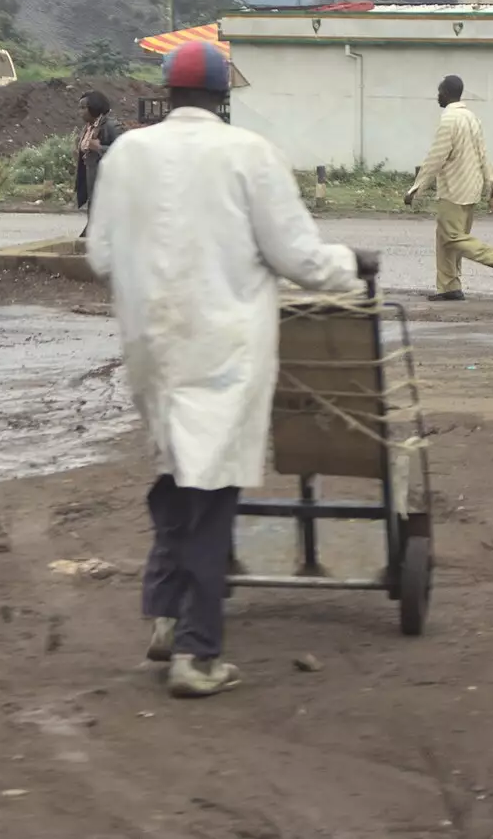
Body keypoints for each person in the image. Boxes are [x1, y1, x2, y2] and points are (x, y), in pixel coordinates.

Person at [87, 41, 379, 699]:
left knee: (173, 475)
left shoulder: (126, 154)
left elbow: (102, 255)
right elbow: (298, 257)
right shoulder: (250, 154)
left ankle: (165, 616)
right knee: (212, 491)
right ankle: (199, 652)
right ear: (223, 98)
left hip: (151, 346)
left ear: (167, 95)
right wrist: (352, 265)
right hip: (220, 351)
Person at [405, 75, 493, 302]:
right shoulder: (472, 118)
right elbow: (483, 155)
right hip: (471, 189)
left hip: (454, 190)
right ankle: (449, 287)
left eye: (439, 92)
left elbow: (436, 158)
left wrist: (416, 188)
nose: (437, 96)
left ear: (446, 93)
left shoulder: (449, 120)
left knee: (452, 237)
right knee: (444, 238)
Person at [74, 89, 125, 238]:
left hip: (106, 182)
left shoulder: (110, 126)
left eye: (84, 107)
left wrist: (99, 148)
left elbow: (123, 150)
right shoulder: (89, 127)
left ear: (95, 107)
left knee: (98, 220)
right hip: (92, 180)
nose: (80, 112)